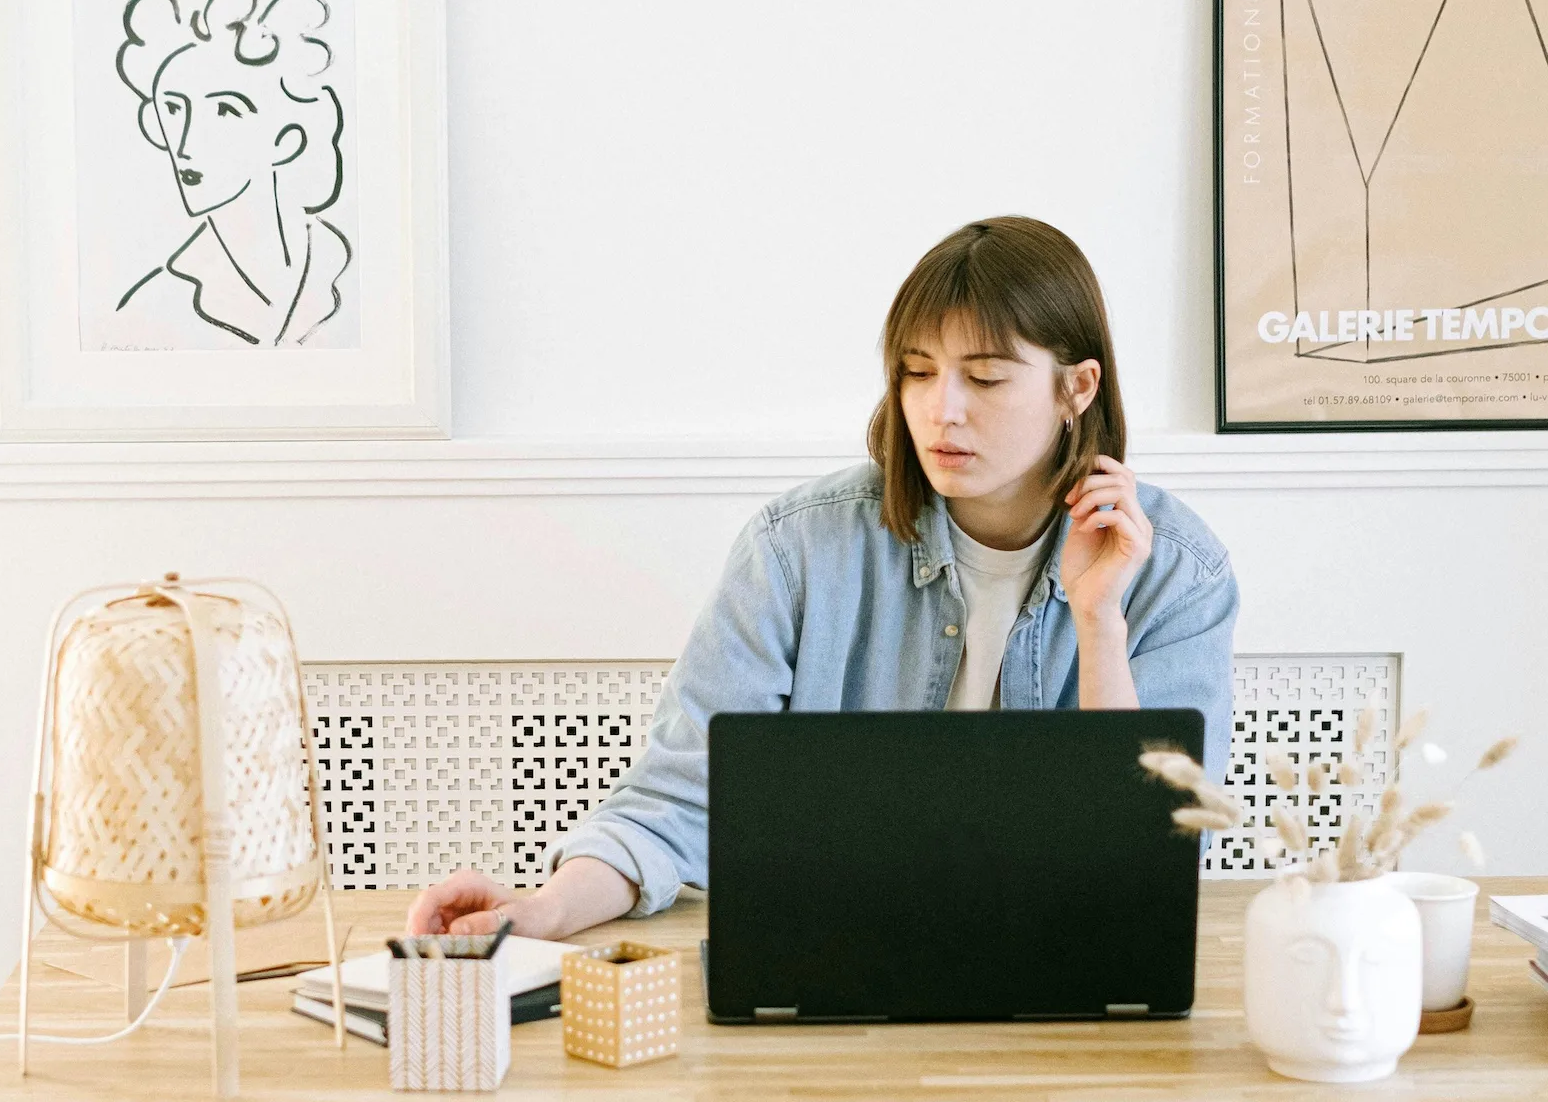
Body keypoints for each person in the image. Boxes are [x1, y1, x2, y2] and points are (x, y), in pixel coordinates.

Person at [407, 216, 1239, 941]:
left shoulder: (1177, 574)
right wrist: (542, 909)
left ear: (1077, 386)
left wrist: (1099, 624)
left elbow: (1149, 860)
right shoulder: (798, 549)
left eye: (983, 376)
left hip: (1067, 974)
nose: (940, 409)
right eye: (916, 371)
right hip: (841, 966)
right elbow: (679, 799)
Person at [110, 0, 354, 348]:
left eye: (225, 110)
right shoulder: (150, 311)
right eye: (173, 109)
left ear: (285, 140)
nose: (187, 142)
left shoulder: (349, 269)